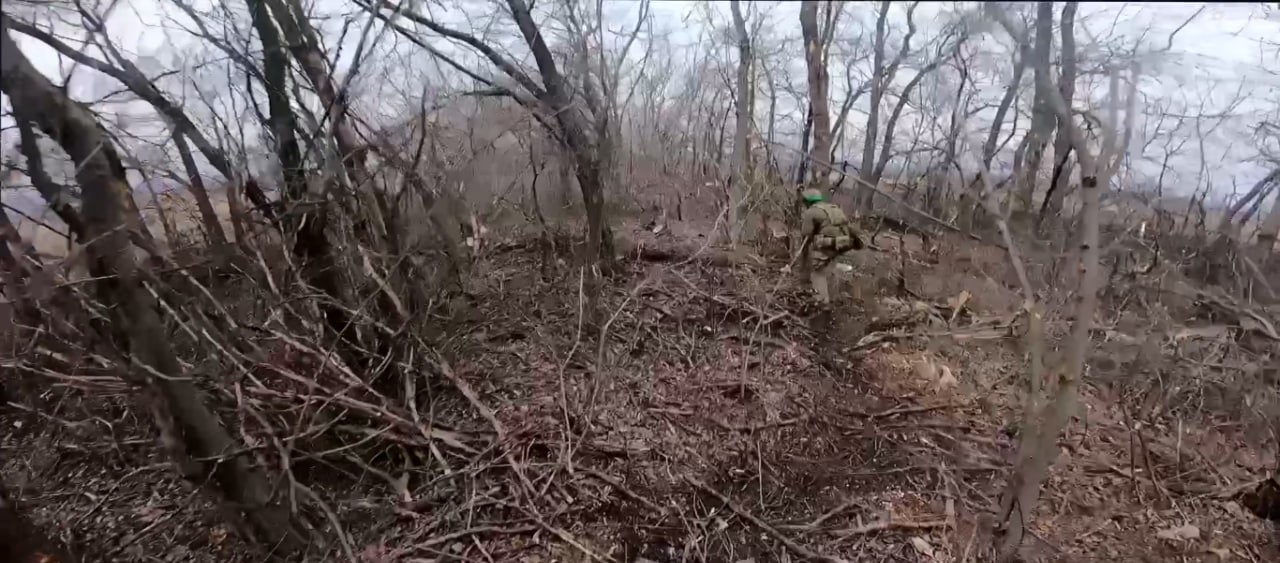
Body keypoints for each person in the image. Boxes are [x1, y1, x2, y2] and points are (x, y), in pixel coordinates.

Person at [799, 188, 862, 306]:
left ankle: (822, 302)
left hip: (827, 244)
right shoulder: (833, 207)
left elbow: (806, 235)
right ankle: (833, 298)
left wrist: (803, 256)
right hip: (843, 243)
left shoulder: (811, 212)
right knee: (829, 268)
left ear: (807, 201)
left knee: (817, 272)